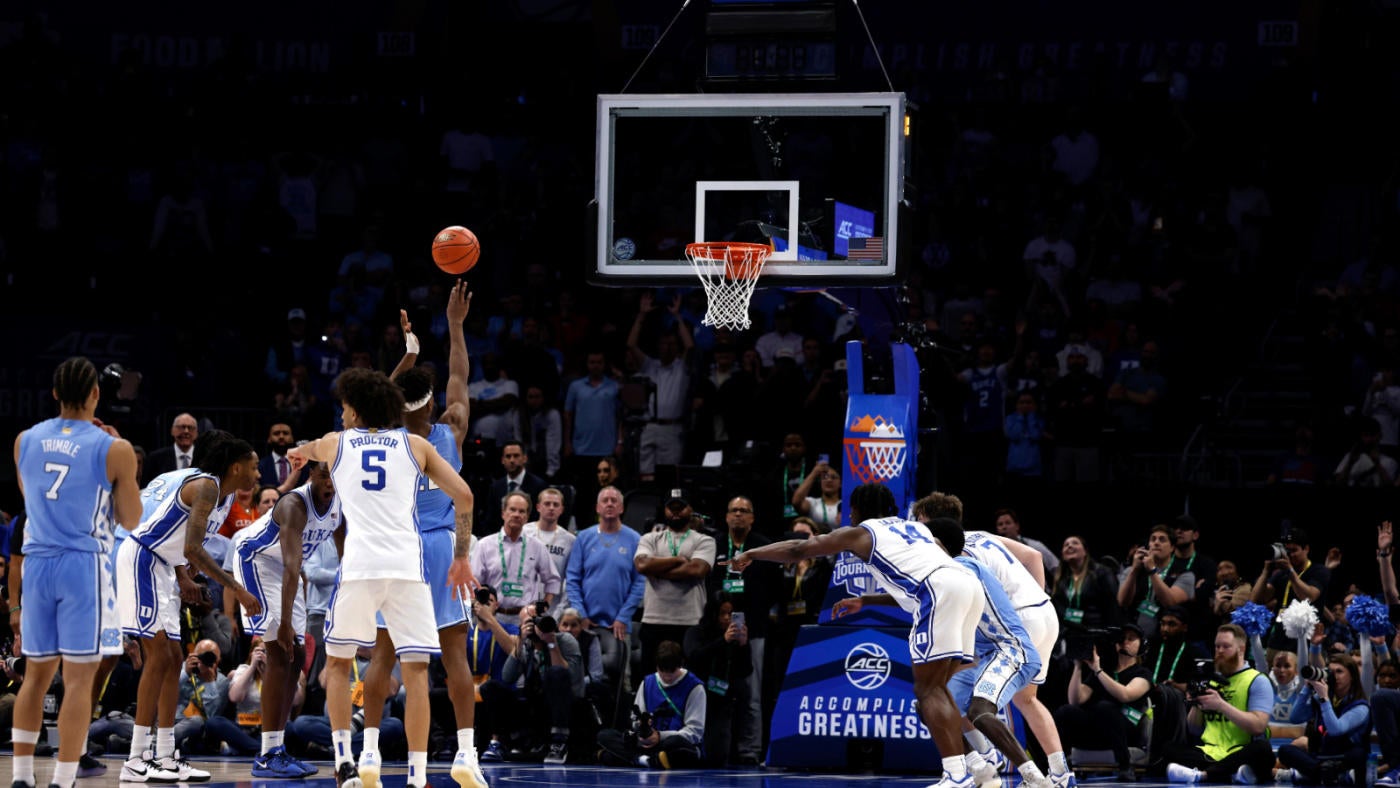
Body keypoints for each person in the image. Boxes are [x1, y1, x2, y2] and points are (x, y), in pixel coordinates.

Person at [733, 483, 1045, 788]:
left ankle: (957, 774)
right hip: (968, 585)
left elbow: (799, 548)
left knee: (927, 691)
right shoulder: (917, 528)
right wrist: (869, 600)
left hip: (937, 590)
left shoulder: (861, 532)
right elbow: (940, 559)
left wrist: (753, 553)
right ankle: (976, 767)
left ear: (856, 509)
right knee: (938, 690)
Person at [287, 366, 481, 788]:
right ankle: (416, 777)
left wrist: (298, 453)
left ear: (356, 412)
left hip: (360, 567)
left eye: (344, 408)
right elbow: (465, 496)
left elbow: (305, 449)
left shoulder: (336, 444)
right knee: (416, 671)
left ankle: (347, 761)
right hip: (408, 568)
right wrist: (462, 556)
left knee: (338, 664)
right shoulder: (416, 445)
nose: (341, 415)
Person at [363, 284, 488, 788]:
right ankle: (464, 755)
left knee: (385, 654)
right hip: (440, 546)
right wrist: (455, 325)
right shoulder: (450, 429)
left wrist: (406, 356)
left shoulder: (381, 435)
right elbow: (460, 373)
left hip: (395, 548)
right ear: (432, 401)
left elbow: (373, 393)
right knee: (454, 655)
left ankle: (368, 754)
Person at [11, 357, 142, 788]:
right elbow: (131, 519)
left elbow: (32, 498)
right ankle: (64, 780)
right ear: (96, 394)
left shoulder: (24, 440)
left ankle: (22, 777)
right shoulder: (113, 448)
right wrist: (126, 469)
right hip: (82, 565)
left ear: (54, 394)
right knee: (80, 678)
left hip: (37, 563)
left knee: (35, 676)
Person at [117, 429, 263, 782]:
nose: (258, 474)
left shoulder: (223, 497)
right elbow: (192, 548)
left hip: (164, 566)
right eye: (253, 467)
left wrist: (184, 577)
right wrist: (237, 590)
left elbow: (183, 545)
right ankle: (136, 757)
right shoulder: (206, 486)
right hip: (143, 559)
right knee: (160, 657)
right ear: (236, 467)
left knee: (173, 659)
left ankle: (165, 754)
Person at [918, 516, 1074, 788]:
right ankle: (1059, 773)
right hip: (1043, 610)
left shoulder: (955, 562)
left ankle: (989, 761)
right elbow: (1035, 556)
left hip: (1012, 630)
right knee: (1026, 700)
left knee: (967, 701)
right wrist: (1034, 600)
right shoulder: (981, 534)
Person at [230, 461, 341, 777]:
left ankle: (277, 748)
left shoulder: (340, 505)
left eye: (335, 475)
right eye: (323, 474)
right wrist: (283, 624)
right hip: (257, 561)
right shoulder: (294, 503)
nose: (329, 481)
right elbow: (293, 567)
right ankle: (266, 754)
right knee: (278, 653)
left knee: (297, 659)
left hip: (288, 573)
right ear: (310, 476)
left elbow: (344, 553)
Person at [1160, 625, 1275, 785]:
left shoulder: (1258, 680)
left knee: (1262, 749)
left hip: (1241, 750)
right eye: (1217, 646)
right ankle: (1232, 774)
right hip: (1209, 751)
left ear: (1241, 649)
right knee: (1167, 748)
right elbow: (1194, 729)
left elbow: (1258, 727)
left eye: (1226, 646)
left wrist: (1221, 705)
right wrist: (1196, 703)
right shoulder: (1210, 680)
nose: (1220, 651)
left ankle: (1203, 775)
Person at [565, 487, 644, 695]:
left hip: (618, 624)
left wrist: (623, 616)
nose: (609, 504)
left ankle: (623, 725)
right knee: (581, 680)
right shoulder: (584, 537)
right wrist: (580, 613)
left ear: (621, 508)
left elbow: (639, 583)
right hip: (585, 623)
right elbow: (572, 579)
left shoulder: (635, 539)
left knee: (623, 683)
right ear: (597, 507)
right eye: (605, 500)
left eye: (614, 501)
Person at [1054, 623, 1153, 781]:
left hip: (1126, 730)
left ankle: (1125, 766)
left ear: (1142, 646)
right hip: (1098, 731)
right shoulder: (1104, 670)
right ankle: (1057, 766)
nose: (1125, 642)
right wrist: (1078, 667)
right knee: (1065, 711)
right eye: (1122, 638)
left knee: (1104, 708)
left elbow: (1125, 695)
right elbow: (1075, 700)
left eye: (1131, 639)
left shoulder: (1143, 673)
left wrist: (1098, 671)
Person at [634, 494, 716, 678]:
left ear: (690, 509)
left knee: (690, 677)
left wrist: (657, 570)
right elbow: (642, 565)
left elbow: (697, 570)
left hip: (690, 621)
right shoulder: (649, 538)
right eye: (672, 507)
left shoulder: (704, 540)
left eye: (681, 507)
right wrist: (678, 560)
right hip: (654, 620)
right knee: (651, 678)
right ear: (664, 510)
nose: (676, 511)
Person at [596, 640, 705, 769]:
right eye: (662, 671)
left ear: (681, 664)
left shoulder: (695, 687)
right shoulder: (648, 682)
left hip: (672, 743)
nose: (667, 676)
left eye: (672, 671)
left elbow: (695, 731)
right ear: (656, 666)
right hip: (648, 743)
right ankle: (647, 760)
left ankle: (631, 758)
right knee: (605, 735)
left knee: (677, 745)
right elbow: (636, 718)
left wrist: (660, 736)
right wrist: (642, 731)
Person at [1276, 654, 1370, 784]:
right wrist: (1307, 688)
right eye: (1330, 672)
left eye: (1339, 672)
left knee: (1358, 754)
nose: (1334, 676)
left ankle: (1313, 775)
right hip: (1321, 757)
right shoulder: (1321, 699)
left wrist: (1324, 699)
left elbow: (1336, 730)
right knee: (1285, 751)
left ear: (1352, 676)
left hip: (1345, 757)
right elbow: (1295, 718)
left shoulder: (1360, 707)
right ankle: (1327, 775)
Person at [523, 488, 576, 614]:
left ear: (562, 509)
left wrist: (559, 612)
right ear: (538, 507)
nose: (551, 508)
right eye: (547, 504)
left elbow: (570, 581)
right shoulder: (524, 532)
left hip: (553, 609)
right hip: (522, 603)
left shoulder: (570, 540)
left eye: (556, 504)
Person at [143, 413, 199, 485]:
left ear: (196, 433)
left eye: (190, 427)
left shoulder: (204, 459)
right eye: (182, 427)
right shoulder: (155, 458)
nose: (186, 431)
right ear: (172, 430)